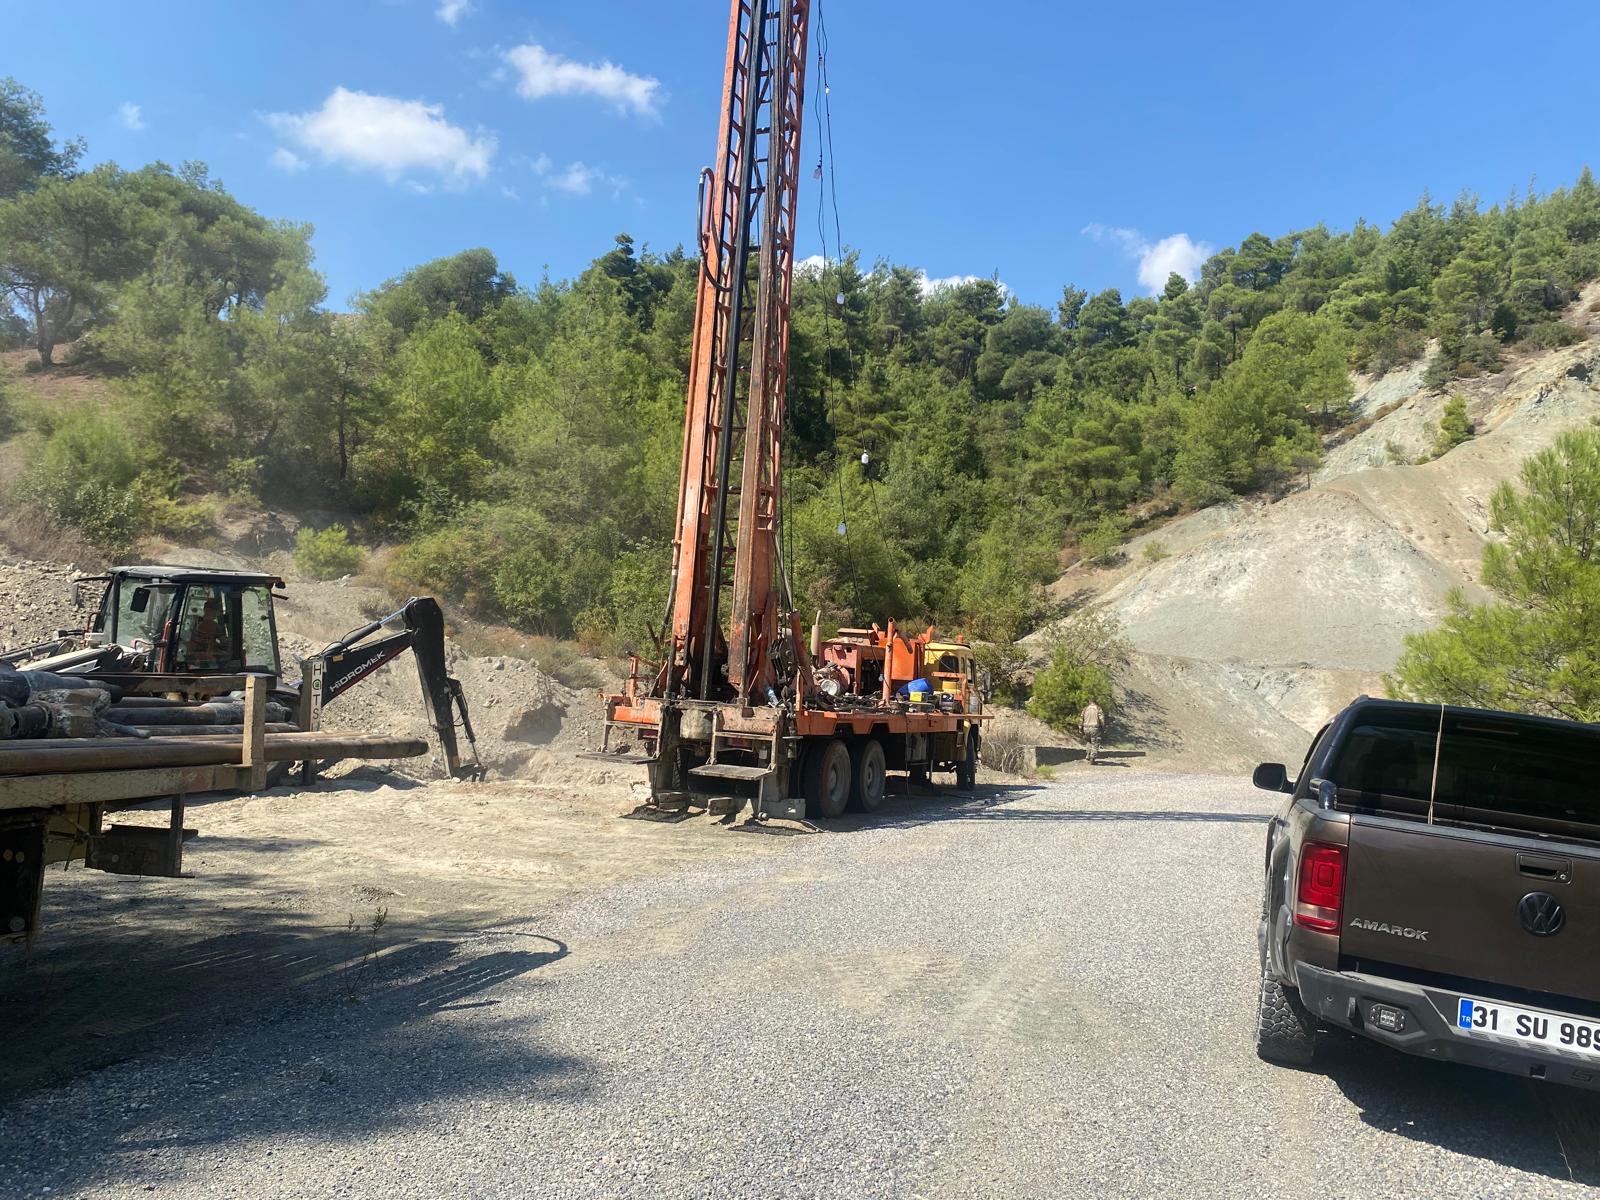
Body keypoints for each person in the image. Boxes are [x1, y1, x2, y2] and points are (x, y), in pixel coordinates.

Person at [1080, 699, 1104, 764]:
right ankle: (1092, 758)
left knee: (1089, 741)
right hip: (1094, 728)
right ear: (1095, 702)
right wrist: (1102, 726)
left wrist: (1080, 728)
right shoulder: (1098, 708)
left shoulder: (1085, 709)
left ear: (1089, 702)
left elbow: (1081, 719)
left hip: (1086, 728)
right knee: (1095, 742)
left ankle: (1088, 755)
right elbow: (1101, 719)